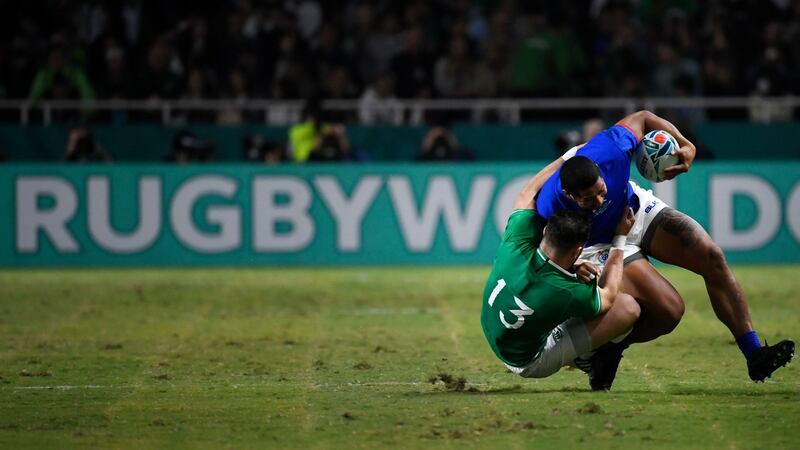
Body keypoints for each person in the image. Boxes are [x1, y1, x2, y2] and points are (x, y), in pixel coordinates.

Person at [534, 110, 795, 389]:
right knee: (669, 312)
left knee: (711, 256)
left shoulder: (612, 149)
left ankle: (754, 353)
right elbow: (541, 251)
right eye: (588, 200)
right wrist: (574, 267)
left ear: (602, 173)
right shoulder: (549, 204)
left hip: (634, 210)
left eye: (601, 190)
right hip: (599, 243)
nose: (599, 200)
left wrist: (686, 144)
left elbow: (644, 117)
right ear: (568, 196)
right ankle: (602, 351)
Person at [481, 158, 640, 383]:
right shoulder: (566, 292)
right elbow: (609, 296)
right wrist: (620, 238)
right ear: (578, 251)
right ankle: (586, 358)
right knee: (628, 309)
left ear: (546, 230)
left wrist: (566, 157)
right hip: (529, 360)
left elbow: (528, 191)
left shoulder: (515, 242)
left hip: (494, 333)